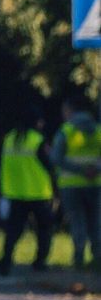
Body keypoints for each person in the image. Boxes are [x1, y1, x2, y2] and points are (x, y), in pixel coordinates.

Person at [0, 106, 55, 276]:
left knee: (13, 231)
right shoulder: (37, 140)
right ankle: (40, 262)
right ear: (36, 122)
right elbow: (49, 165)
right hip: (37, 192)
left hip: (14, 192)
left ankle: (5, 261)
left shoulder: (9, 138)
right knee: (44, 229)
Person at [49, 93, 100, 269]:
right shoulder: (98, 130)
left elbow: (57, 158)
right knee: (96, 220)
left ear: (70, 110)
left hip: (71, 185)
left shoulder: (66, 131)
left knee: (78, 220)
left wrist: (79, 170)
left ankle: (78, 257)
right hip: (96, 183)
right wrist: (94, 169)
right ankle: (97, 258)